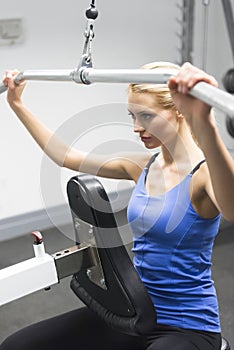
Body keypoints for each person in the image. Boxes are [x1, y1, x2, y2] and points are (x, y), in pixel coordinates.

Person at [1, 61, 234, 350]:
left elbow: (232, 208)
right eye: (133, 116)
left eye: (146, 116)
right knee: (17, 345)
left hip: (186, 326)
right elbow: (65, 156)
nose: (137, 127)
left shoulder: (203, 174)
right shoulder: (142, 166)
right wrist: (17, 104)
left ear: (179, 110)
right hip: (132, 311)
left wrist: (205, 121)